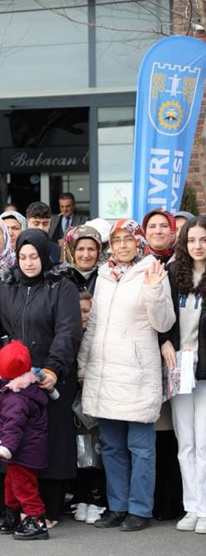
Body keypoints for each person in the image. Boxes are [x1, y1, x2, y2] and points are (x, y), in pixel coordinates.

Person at [77, 219, 174, 532]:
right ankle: (117, 506)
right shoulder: (105, 275)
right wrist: (83, 365)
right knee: (112, 447)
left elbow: (163, 322)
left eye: (127, 239)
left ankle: (140, 508)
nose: (121, 245)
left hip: (137, 373)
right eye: (116, 240)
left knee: (142, 448)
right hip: (104, 372)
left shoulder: (152, 270)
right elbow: (93, 326)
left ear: (138, 242)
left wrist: (154, 289)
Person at [0, 228, 82, 527]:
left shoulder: (61, 286)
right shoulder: (4, 284)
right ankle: (15, 509)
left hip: (46, 378)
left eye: (34, 256)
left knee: (45, 444)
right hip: (9, 378)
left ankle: (46, 510)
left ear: (45, 255)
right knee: (12, 440)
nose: (28, 263)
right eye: (23, 256)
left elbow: (68, 330)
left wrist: (54, 368)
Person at [160, 216, 206, 533]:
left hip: (204, 369)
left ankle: (205, 508)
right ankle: (192, 507)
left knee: (203, 443)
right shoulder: (173, 274)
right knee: (185, 443)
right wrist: (164, 341)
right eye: (192, 240)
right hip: (179, 368)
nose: (198, 246)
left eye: (203, 240)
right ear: (184, 243)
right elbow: (162, 317)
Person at [142, 209, 183, 521]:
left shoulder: (181, 265)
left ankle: (179, 500)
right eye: (151, 226)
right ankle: (158, 500)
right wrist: (160, 340)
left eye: (162, 226)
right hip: (146, 360)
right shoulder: (138, 265)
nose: (157, 231)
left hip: (179, 360)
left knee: (177, 433)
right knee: (155, 432)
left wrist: (167, 338)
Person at [0, 340, 50, 541]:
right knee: (12, 484)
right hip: (22, 451)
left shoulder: (15, 398)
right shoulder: (25, 388)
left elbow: (13, 426)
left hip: (22, 451)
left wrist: (5, 448)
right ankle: (14, 514)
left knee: (24, 487)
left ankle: (35, 519)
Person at [72, 291, 107, 525]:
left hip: (99, 400)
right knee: (80, 452)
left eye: (86, 311)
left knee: (99, 451)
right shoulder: (69, 336)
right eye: (79, 312)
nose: (83, 316)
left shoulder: (100, 336)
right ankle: (81, 497)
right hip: (75, 405)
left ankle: (97, 499)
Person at [62, 225, 103, 293]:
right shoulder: (61, 279)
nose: (86, 255)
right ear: (71, 252)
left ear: (99, 251)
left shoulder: (106, 277)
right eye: (80, 249)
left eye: (91, 249)